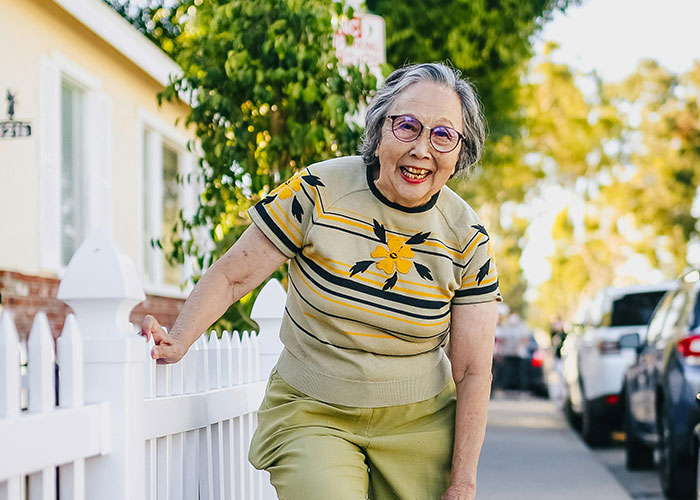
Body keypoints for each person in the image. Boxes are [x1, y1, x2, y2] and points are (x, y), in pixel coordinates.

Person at [140, 62, 501, 500]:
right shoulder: (318, 191)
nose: (422, 149)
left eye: (443, 135)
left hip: (420, 424)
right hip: (313, 411)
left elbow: (471, 367)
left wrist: (463, 481)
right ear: (380, 129)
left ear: (459, 150)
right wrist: (179, 339)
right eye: (407, 126)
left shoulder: (467, 237)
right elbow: (234, 276)